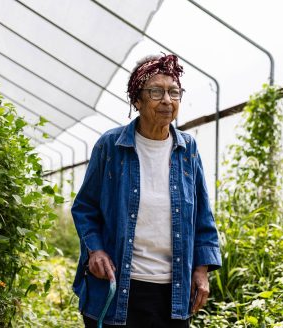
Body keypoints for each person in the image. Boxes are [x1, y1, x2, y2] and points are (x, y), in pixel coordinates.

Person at [72, 53, 221, 327]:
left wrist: (201, 270)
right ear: (137, 100)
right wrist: (95, 250)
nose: (167, 100)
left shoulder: (188, 150)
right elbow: (85, 207)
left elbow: (202, 215)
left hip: (173, 291)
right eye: (156, 92)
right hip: (118, 287)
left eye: (174, 92)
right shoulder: (110, 146)